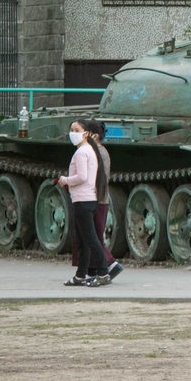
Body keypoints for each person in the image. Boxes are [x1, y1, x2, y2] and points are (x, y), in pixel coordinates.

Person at [68, 120, 124, 281]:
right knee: (88, 236)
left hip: (95, 198)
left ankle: (107, 265)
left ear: (93, 135)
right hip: (94, 197)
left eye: (78, 130)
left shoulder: (95, 152)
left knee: (93, 236)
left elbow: (93, 177)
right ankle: (90, 270)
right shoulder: (93, 151)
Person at [58, 119, 110, 288]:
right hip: (87, 199)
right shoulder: (90, 150)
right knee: (82, 240)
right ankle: (81, 274)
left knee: (90, 239)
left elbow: (82, 177)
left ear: (86, 134)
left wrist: (64, 180)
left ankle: (103, 272)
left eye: (76, 129)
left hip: (83, 199)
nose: (73, 133)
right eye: (71, 129)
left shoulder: (82, 152)